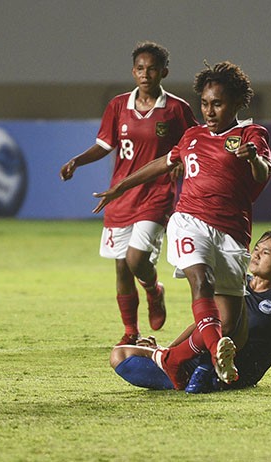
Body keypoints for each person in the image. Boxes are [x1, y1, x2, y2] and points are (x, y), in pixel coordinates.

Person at [94, 61, 271, 386]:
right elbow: (163, 163)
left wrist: (254, 158)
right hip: (190, 221)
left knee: (230, 324)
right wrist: (121, 186)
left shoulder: (250, 134)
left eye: (217, 103)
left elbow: (263, 173)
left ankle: (172, 359)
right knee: (201, 280)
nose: (209, 111)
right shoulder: (193, 135)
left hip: (233, 233)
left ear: (237, 103)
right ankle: (216, 355)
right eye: (204, 103)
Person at [59, 41, 198, 346]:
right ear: (133, 72)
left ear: (164, 72)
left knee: (136, 259)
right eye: (140, 68)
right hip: (120, 195)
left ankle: (153, 290)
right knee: (121, 267)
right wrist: (77, 161)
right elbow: (105, 145)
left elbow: (195, 142)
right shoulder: (118, 105)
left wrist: (180, 163)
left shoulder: (176, 109)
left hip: (156, 194)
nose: (145, 74)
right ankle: (130, 331)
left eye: (152, 69)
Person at [110, 229, 271, 391]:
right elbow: (203, 323)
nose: (256, 255)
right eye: (256, 248)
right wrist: (167, 352)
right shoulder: (235, 283)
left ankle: (208, 377)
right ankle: (185, 375)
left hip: (235, 373)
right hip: (199, 360)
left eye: (266, 252)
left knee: (226, 324)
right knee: (118, 355)